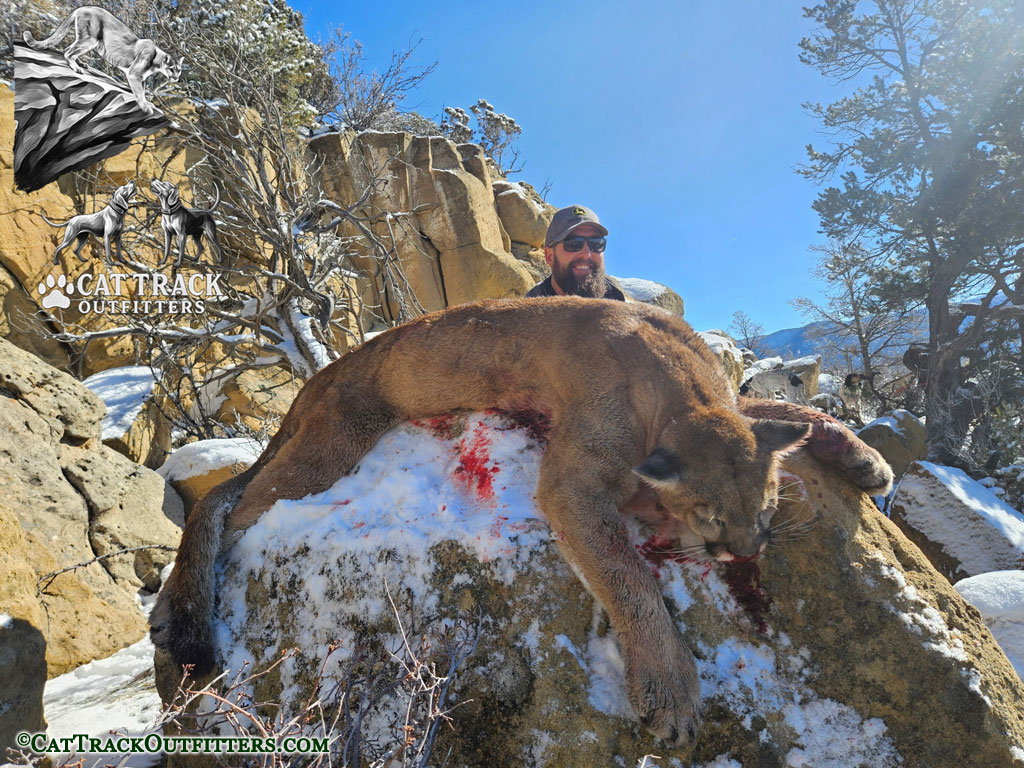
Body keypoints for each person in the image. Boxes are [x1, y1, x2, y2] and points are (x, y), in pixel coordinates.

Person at [525, 205, 625, 300]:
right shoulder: (527, 314)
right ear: (549, 256)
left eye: (596, 244)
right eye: (573, 244)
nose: (587, 254)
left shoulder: (620, 302)